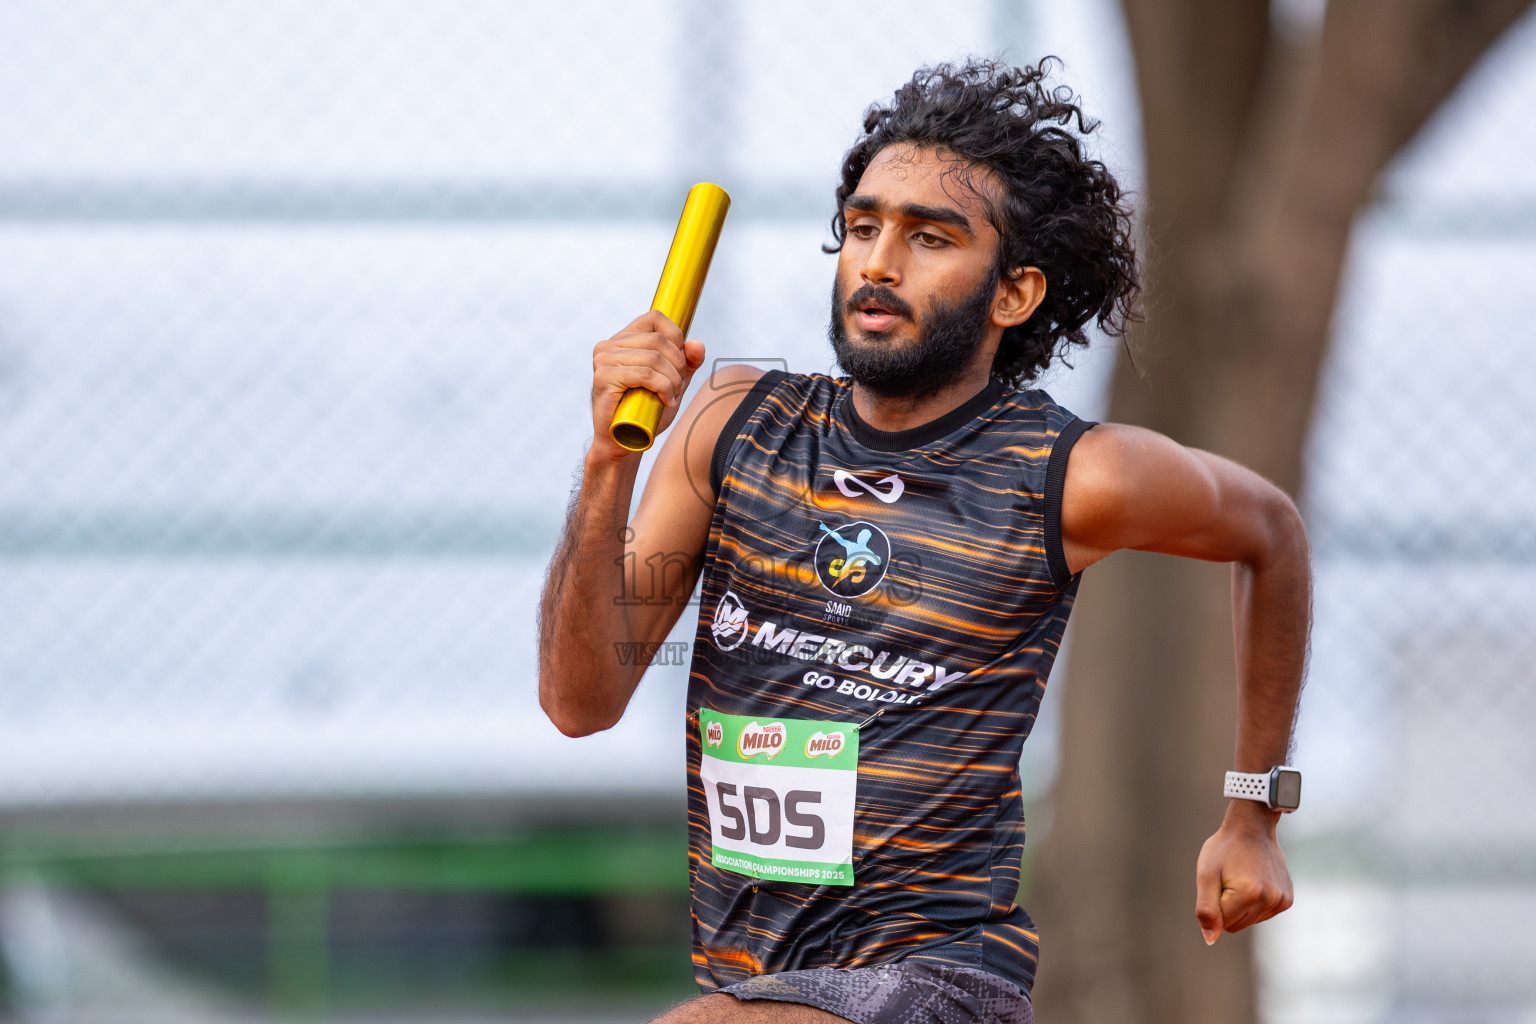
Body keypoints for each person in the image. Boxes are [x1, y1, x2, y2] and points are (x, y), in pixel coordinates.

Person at [538, 58, 1308, 1024]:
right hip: (754, 982)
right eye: (863, 227)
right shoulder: (729, 426)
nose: (879, 262)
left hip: (938, 984)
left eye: (929, 237)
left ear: (1014, 293)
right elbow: (578, 701)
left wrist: (1253, 814)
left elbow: (1271, 530)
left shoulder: (1072, 474)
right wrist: (608, 460)